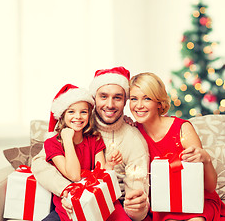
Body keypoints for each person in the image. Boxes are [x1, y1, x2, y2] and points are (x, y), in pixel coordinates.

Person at [31, 66, 150, 221]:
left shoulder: (129, 139)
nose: (110, 105)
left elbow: (133, 187)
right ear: (94, 99)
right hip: (67, 203)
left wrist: (137, 206)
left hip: (108, 203)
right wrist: (66, 191)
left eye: (117, 98)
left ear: (124, 101)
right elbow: (39, 164)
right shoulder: (76, 124)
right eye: (103, 96)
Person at [129, 72, 225, 221]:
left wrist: (205, 159)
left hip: (198, 201)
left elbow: (210, 187)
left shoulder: (182, 129)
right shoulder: (133, 133)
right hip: (165, 204)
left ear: (159, 103)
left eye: (147, 98)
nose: (138, 105)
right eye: (134, 99)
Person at [43, 84, 123, 220]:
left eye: (83, 112)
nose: (78, 117)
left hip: (94, 196)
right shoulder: (52, 144)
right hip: (68, 201)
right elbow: (74, 176)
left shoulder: (94, 139)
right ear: (62, 115)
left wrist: (109, 165)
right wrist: (67, 140)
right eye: (71, 112)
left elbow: (101, 174)